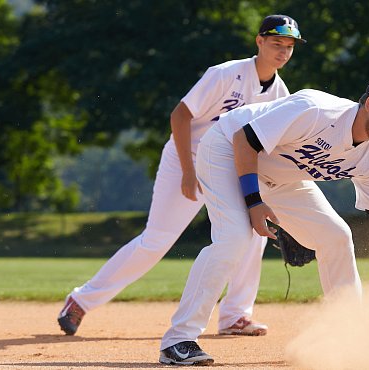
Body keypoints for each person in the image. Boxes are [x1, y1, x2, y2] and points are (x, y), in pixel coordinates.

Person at [157, 73, 369, 366]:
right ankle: (178, 340)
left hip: (280, 177)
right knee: (235, 237)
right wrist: (254, 202)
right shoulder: (316, 110)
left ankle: (348, 336)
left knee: (336, 236)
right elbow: (245, 139)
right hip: (226, 149)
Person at [57, 15, 305, 337]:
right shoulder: (225, 74)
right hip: (187, 158)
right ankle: (80, 300)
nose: (283, 51)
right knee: (156, 241)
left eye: (289, 46)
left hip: (228, 169)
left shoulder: (281, 93)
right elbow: (180, 115)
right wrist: (188, 172)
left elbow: (265, 148)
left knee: (254, 232)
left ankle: (235, 315)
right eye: (276, 43)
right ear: (259, 41)